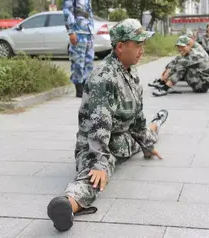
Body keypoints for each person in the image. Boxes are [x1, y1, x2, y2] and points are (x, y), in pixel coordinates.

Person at [47, 18, 169, 232]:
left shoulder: (130, 72)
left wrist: (147, 146)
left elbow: (137, 117)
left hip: (122, 139)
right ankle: (67, 204)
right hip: (96, 144)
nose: (142, 50)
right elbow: (98, 125)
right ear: (120, 47)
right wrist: (100, 164)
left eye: (143, 44)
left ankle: (157, 123)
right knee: (95, 177)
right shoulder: (104, 78)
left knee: (150, 132)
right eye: (137, 44)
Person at [63, 0, 94, 98]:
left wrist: (92, 30)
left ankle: (86, 85)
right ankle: (79, 87)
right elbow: (67, 10)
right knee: (78, 60)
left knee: (89, 61)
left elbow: (89, 13)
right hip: (78, 31)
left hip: (88, 31)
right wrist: (71, 31)